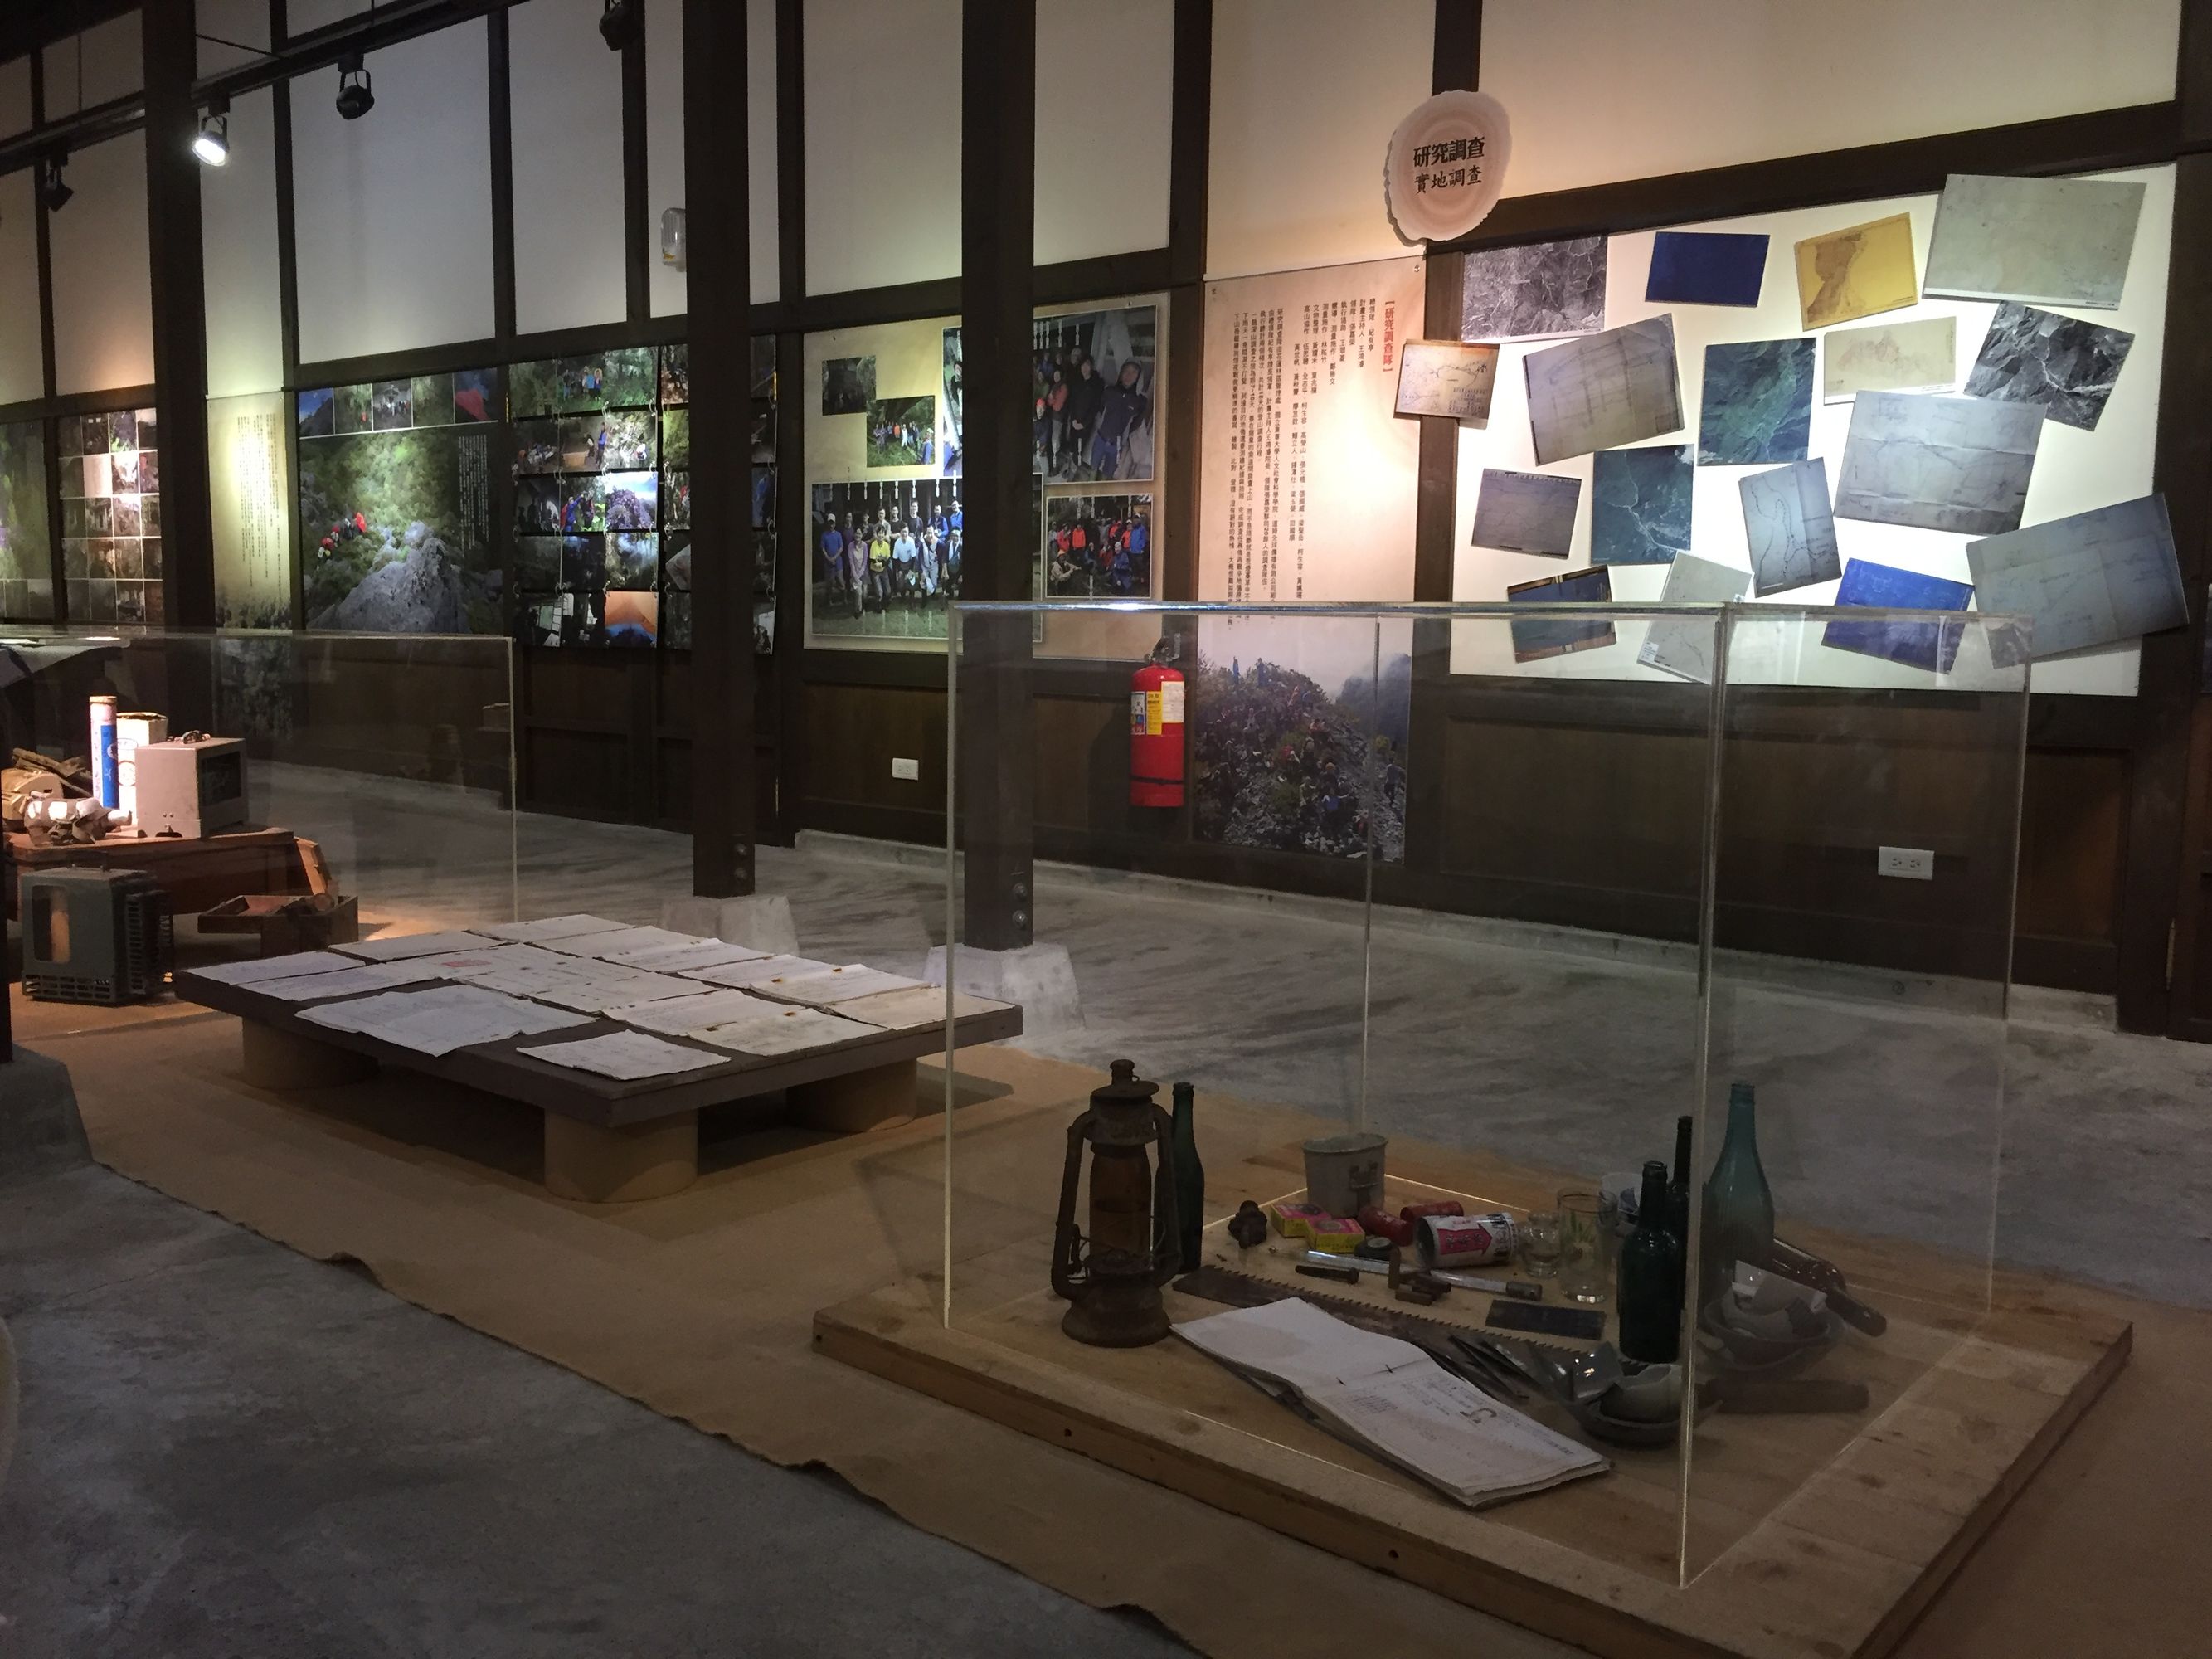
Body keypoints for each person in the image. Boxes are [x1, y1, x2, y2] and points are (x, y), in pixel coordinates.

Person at [1094, 359, 1150, 478]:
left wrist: (1126, 437)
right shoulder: (1109, 391)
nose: (1129, 375)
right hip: (1100, 438)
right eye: (1126, 371)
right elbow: (1100, 409)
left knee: (1108, 472)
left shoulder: (1139, 401)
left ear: (1138, 376)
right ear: (1121, 373)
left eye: (1134, 372)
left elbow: (1137, 422)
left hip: (1117, 445)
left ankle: (1102, 488)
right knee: (1093, 466)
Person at [1064, 353, 1106, 479]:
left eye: (1087, 365)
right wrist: (1073, 420)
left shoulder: (1097, 384)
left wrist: (1083, 424)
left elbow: (1096, 407)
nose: (1084, 368)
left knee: (1078, 451)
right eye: (1082, 365)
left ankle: (1072, 476)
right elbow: (1072, 401)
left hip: (1085, 426)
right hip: (1074, 422)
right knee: (1072, 447)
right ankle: (1069, 470)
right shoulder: (1077, 381)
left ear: (1091, 367)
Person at [843, 514, 868, 617]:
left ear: (862, 535)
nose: (858, 535)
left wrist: (860, 573)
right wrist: (855, 575)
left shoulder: (865, 545)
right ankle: (857, 610)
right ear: (854, 534)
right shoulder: (850, 546)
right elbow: (851, 562)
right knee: (858, 592)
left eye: (859, 534)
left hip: (863, 572)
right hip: (854, 573)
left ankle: (863, 605)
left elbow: (865, 561)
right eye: (856, 533)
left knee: (865, 594)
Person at [868, 519, 893, 610]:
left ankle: (885, 605)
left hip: (883, 570)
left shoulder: (886, 545)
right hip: (875, 571)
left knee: (888, 591)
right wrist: (881, 562)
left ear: (884, 534)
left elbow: (888, 559)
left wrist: (880, 563)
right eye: (879, 533)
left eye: (882, 533)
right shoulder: (873, 545)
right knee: (879, 592)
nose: (881, 535)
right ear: (877, 534)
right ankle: (878, 606)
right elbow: (873, 560)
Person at [820, 517, 847, 601]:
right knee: (829, 583)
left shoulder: (838, 534)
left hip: (838, 563)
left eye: (833, 523)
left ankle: (844, 599)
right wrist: (829, 558)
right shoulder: (824, 535)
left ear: (835, 524)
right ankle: (829, 601)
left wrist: (834, 558)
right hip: (828, 564)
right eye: (830, 523)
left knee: (841, 581)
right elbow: (823, 549)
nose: (831, 525)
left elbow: (841, 548)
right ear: (828, 524)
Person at [892, 520, 919, 599]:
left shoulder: (911, 541)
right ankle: (903, 597)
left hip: (910, 563)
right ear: (900, 532)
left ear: (908, 532)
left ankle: (912, 599)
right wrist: (899, 570)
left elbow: (914, 557)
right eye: (903, 532)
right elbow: (895, 558)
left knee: (911, 581)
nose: (904, 534)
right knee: (901, 584)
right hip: (901, 564)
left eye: (906, 532)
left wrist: (910, 570)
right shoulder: (897, 543)